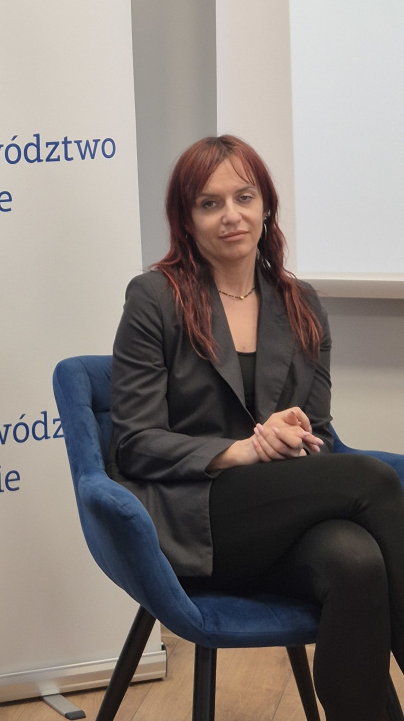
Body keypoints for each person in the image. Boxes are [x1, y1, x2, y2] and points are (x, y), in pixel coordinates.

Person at [111, 134, 404, 721]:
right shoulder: (154, 298)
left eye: (244, 197)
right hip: (200, 519)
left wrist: (295, 435)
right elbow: (135, 444)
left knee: (355, 561)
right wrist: (241, 450)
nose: (231, 215)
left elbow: (320, 434)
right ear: (186, 218)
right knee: (372, 479)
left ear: (265, 205)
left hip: (284, 516)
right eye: (210, 203)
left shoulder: (301, 303)